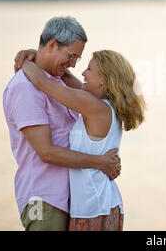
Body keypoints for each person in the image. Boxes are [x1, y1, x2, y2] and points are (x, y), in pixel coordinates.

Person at [3, 16, 121, 231]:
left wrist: (33, 59)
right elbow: (46, 152)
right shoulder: (24, 88)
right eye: (71, 56)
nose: (74, 65)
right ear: (52, 45)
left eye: (78, 58)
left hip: (72, 200)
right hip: (43, 200)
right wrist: (99, 162)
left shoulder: (58, 83)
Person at [21, 49, 146, 230]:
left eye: (89, 69)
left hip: (93, 209)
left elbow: (42, 82)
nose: (83, 73)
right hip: (102, 205)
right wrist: (42, 58)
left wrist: (24, 61)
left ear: (104, 79)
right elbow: (71, 81)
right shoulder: (105, 107)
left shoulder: (94, 107)